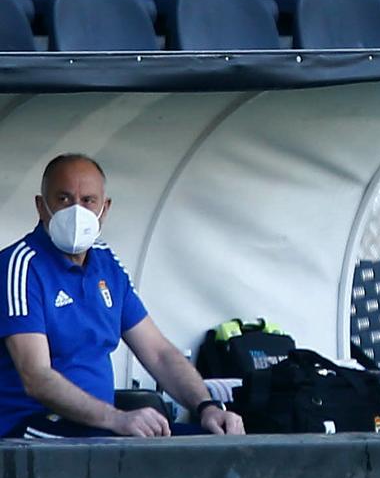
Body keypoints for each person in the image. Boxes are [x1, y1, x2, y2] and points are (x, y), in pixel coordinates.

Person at [0, 154, 244, 438]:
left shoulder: (107, 263)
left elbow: (159, 353)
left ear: (105, 208)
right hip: (31, 428)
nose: (76, 211)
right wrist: (117, 419)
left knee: (213, 446)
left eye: (88, 200)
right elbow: (36, 377)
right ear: (42, 206)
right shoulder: (20, 266)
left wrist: (208, 407)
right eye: (64, 199)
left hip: (98, 428)